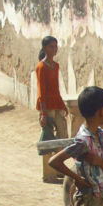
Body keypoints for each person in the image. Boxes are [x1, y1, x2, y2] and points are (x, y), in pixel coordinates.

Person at [36, 36, 68, 182]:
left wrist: (62, 105)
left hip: (56, 104)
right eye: (51, 46)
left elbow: (56, 88)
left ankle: (59, 168)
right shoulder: (41, 67)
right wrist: (43, 113)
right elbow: (41, 92)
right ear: (44, 48)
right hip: (47, 107)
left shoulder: (55, 65)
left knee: (62, 136)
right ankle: (49, 173)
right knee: (48, 137)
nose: (54, 49)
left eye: (55, 46)